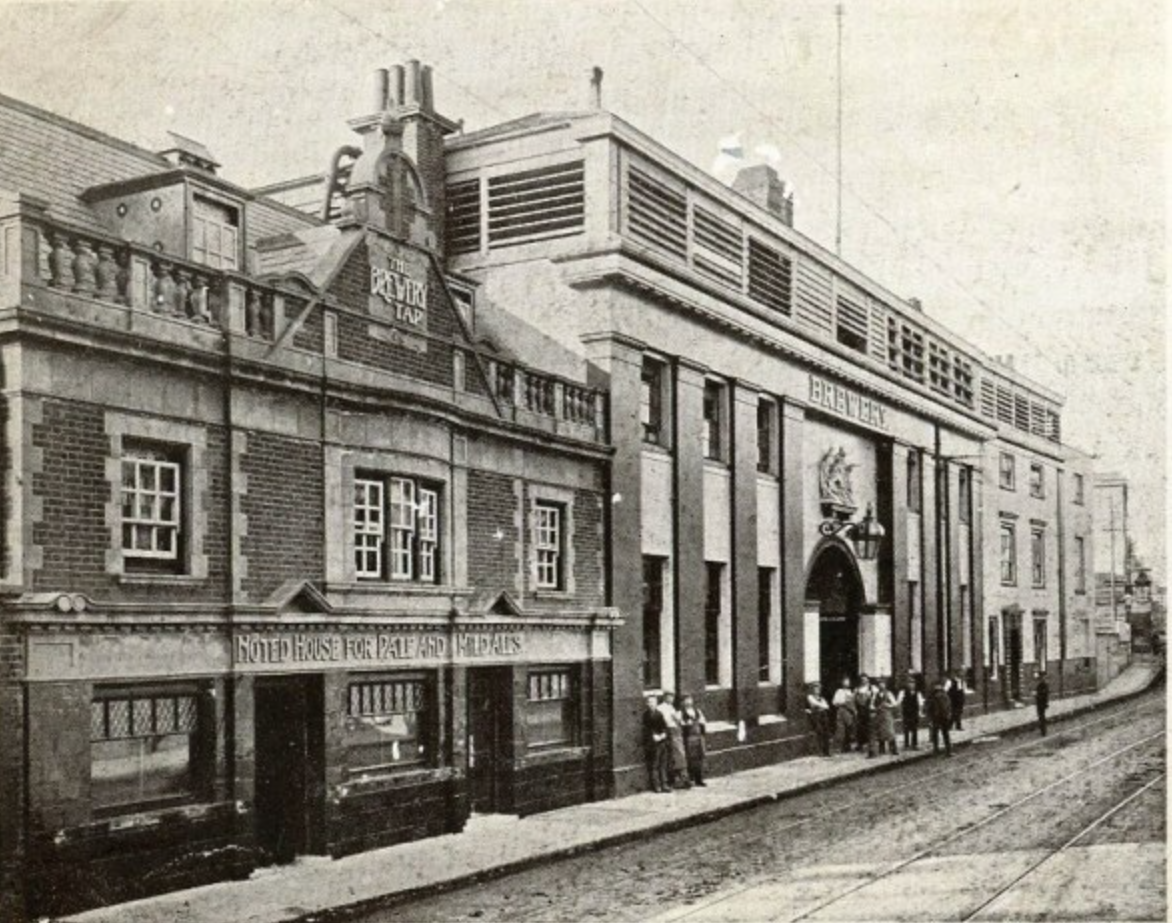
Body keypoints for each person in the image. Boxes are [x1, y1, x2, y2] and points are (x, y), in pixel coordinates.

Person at [658, 692, 690, 788]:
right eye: (669, 697)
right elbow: (668, 721)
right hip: (670, 732)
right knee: (676, 754)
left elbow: (678, 720)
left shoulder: (671, 707)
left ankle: (682, 778)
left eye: (672, 697)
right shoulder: (661, 708)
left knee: (680, 755)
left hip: (676, 731)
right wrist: (676, 718)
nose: (671, 699)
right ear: (665, 698)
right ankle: (680, 779)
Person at [678, 693, 708, 786]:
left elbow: (703, 721)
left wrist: (702, 729)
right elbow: (680, 724)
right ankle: (691, 778)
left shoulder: (697, 711)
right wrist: (686, 723)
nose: (688, 702)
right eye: (686, 700)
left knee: (700, 758)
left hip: (699, 737)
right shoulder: (681, 712)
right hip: (689, 738)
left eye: (690, 700)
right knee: (690, 758)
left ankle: (699, 779)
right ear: (683, 702)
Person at [642, 694, 670, 792]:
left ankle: (664, 784)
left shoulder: (659, 714)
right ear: (647, 703)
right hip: (652, 743)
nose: (651, 704)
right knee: (654, 764)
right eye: (649, 702)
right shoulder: (645, 715)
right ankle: (656, 785)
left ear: (656, 703)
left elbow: (664, 726)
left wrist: (663, 734)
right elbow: (646, 729)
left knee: (663, 764)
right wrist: (653, 736)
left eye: (653, 702)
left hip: (661, 742)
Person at [872, 679, 899, 756]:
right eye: (880, 684)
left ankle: (893, 749)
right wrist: (875, 708)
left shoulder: (889, 693)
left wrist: (888, 705)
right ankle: (882, 749)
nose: (881, 685)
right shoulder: (875, 694)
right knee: (880, 732)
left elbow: (895, 703)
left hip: (887, 714)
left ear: (885, 685)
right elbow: (872, 704)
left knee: (890, 731)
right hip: (879, 714)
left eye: (883, 684)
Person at [927, 676, 953, 756]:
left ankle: (936, 750)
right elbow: (945, 707)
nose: (949, 687)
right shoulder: (942, 695)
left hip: (935, 717)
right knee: (945, 734)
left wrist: (930, 716)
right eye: (948, 686)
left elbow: (929, 706)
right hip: (942, 717)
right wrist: (948, 715)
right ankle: (948, 751)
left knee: (935, 733)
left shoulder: (933, 694)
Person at [831, 676, 857, 753]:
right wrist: (843, 702)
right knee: (840, 729)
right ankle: (838, 747)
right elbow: (834, 702)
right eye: (845, 681)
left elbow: (852, 702)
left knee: (850, 728)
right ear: (842, 683)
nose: (847, 683)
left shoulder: (850, 691)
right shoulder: (839, 691)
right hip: (841, 710)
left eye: (848, 681)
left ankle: (847, 747)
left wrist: (854, 710)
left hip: (849, 712)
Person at [806, 682, 832, 756]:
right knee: (819, 731)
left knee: (826, 731)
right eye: (816, 688)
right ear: (812, 689)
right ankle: (820, 751)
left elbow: (827, 706)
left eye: (819, 688)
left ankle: (826, 751)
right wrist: (822, 705)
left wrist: (822, 706)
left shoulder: (822, 698)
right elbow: (815, 703)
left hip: (823, 715)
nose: (817, 690)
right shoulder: (810, 697)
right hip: (816, 715)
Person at [900, 676, 923, 750]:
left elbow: (920, 703)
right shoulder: (903, 692)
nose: (911, 685)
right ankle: (906, 744)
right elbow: (898, 702)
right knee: (906, 729)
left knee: (914, 729)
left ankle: (914, 744)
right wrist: (900, 712)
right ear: (906, 684)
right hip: (906, 713)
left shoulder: (918, 693)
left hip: (914, 712)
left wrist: (920, 712)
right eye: (909, 683)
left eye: (913, 683)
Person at [854, 674, 874, 754]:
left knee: (869, 726)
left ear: (868, 680)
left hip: (868, 709)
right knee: (860, 727)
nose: (864, 681)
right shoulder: (857, 689)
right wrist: (855, 709)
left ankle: (870, 744)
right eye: (862, 680)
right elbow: (854, 699)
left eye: (865, 679)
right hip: (860, 709)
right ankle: (860, 744)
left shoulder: (872, 688)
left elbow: (875, 699)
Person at [1035, 671, 1051, 737]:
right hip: (1041, 703)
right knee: (1041, 716)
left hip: (1041, 703)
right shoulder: (1042, 685)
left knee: (1041, 717)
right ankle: (1043, 730)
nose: (1041, 679)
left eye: (1041, 677)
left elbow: (1044, 695)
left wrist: (1036, 695)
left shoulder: (1043, 685)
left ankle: (1043, 731)